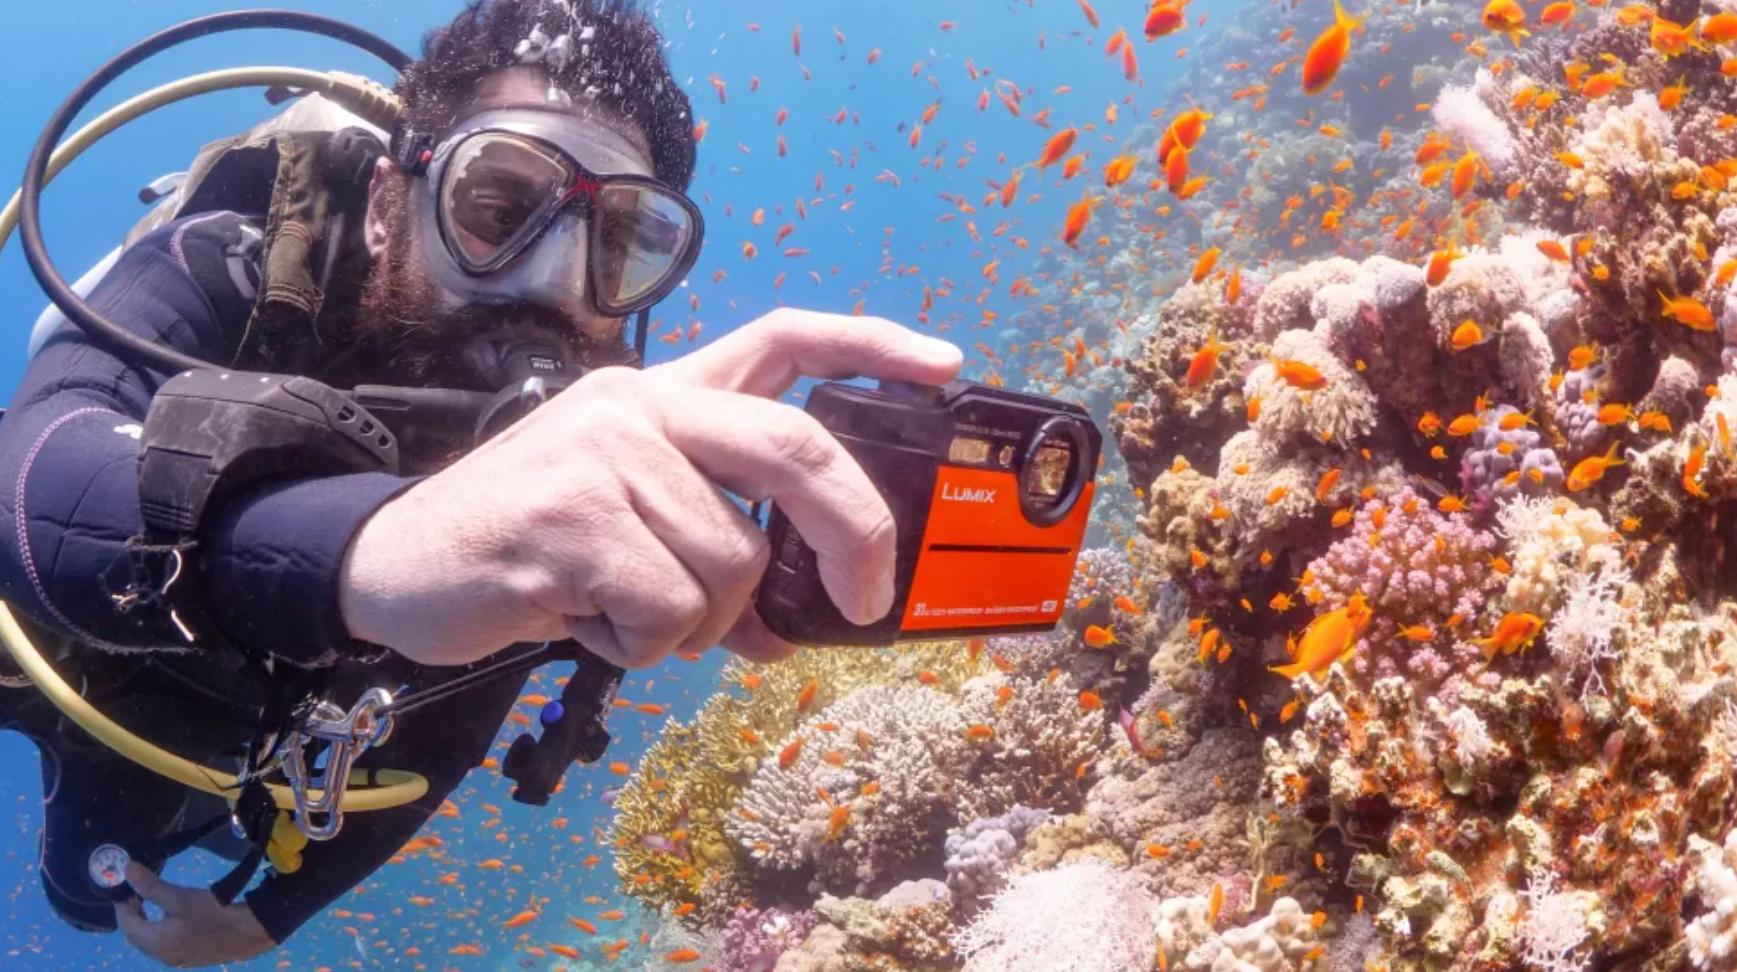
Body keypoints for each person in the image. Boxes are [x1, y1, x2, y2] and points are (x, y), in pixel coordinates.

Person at [0, 0, 963, 966]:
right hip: (78, 656)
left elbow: (451, 723)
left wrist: (270, 916)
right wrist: (387, 547)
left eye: (618, 244)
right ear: (388, 208)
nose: (554, 280)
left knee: (105, 886)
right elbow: (34, 464)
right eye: (497, 210)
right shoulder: (226, 268)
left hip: (252, 718)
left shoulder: (587, 441)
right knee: (83, 888)